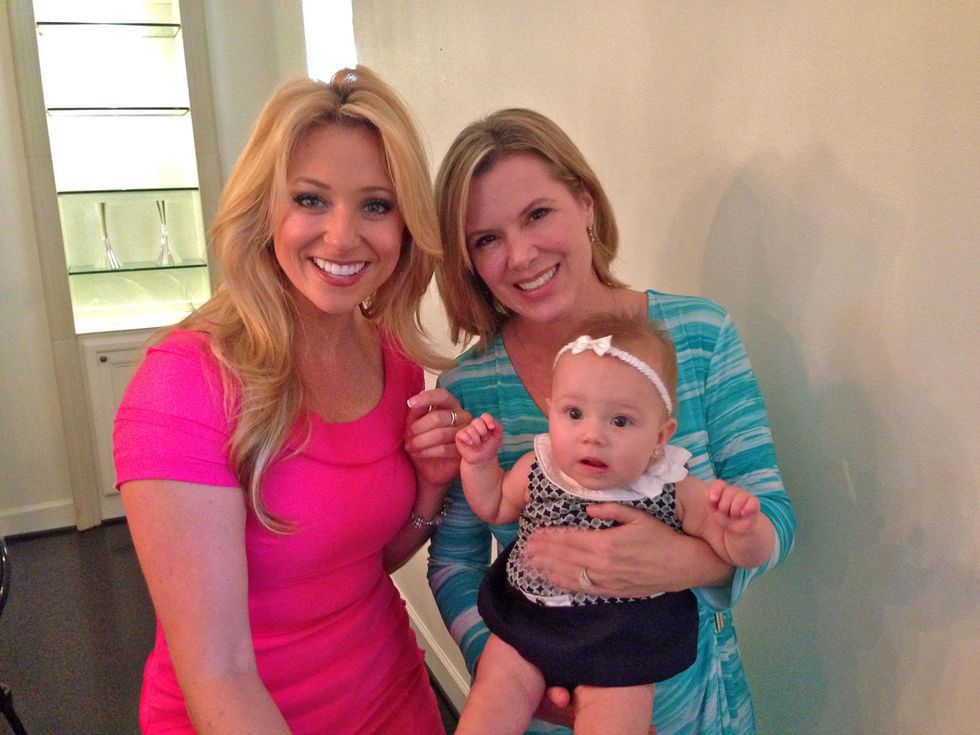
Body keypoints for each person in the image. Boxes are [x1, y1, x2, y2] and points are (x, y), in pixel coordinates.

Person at [421, 107, 797, 734]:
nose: (520, 256)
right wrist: (506, 671)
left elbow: (773, 520)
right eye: (486, 239)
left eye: (538, 214)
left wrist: (681, 560)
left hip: (699, 709)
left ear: (586, 204)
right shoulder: (471, 387)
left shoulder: (698, 337)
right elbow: (454, 562)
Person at [114, 66, 465, 734]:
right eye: (309, 199)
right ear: (264, 210)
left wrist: (428, 490)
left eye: (376, 205)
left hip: (394, 694)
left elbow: (360, 563)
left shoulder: (392, 359)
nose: (342, 237)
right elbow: (218, 669)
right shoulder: (185, 381)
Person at [451, 314, 776, 734]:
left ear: (661, 437)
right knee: (493, 693)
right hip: (530, 617)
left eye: (620, 421)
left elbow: (740, 554)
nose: (593, 435)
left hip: (624, 639)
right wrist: (478, 464)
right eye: (574, 413)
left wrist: (743, 530)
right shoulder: (538, 468)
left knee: (617, 717)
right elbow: (494, 506)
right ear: (550, 413)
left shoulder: (671, 487)